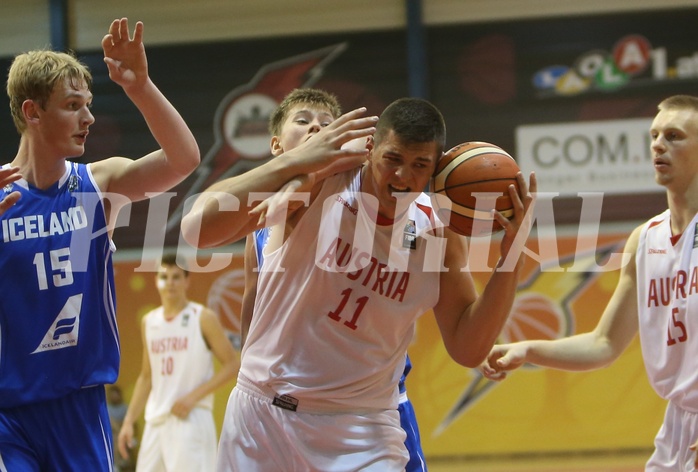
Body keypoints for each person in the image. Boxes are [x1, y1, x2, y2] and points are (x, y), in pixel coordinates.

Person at [181, 96, 535, 471]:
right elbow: (197, 229)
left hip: (361, 428)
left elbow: (468, 348)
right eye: (393, 160)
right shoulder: (321, 184)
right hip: (262, 417)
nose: (403, 177)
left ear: (434, 169)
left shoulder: (439, 234)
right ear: (370, 149)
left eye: (419, 166)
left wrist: (510, 260)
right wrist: (294, 162)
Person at [0, 18, 200, 470]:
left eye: (88, 104)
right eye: (73, 105)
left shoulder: (98, 183)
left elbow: (183, 159)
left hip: (79, 406)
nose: (88, 117)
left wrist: (141, 86)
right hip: (8, 413)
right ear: (33, 112)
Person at [481, 95, 698, 471]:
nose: (658, 145)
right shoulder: (646, 239)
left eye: (674, 136)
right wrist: (527, 349)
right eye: (654, 135)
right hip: (677, 428)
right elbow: (604, 343)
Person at [238, 88, 428, 471]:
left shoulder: (355, 194)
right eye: (304, 121)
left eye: (327, 125)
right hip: (287, 406)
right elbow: (252, 303)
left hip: (371, 405)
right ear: (276, 143)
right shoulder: (259, 231)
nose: (316, 129)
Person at [117, 253, 238, 471]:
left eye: (176, 277)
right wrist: (128, 421)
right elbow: (147, 376)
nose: (170, 283)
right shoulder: (149, 321)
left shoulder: (202, 317)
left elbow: (232, 364)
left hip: (190, 418)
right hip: (155, 420)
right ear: (156, 281)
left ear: (186, 281)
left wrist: (193, 397)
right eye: (164, 277)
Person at [107, 385, 137, 472]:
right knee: (115, 440)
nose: (114, 396)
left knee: (130, 442)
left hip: (127, 434)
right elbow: (110, 424)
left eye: (116, 394)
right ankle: (116, 465)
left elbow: (132, 424)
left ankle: (128, 464)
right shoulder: (107, 409)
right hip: (114, 435)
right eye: (112, 394)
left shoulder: (125, 408)